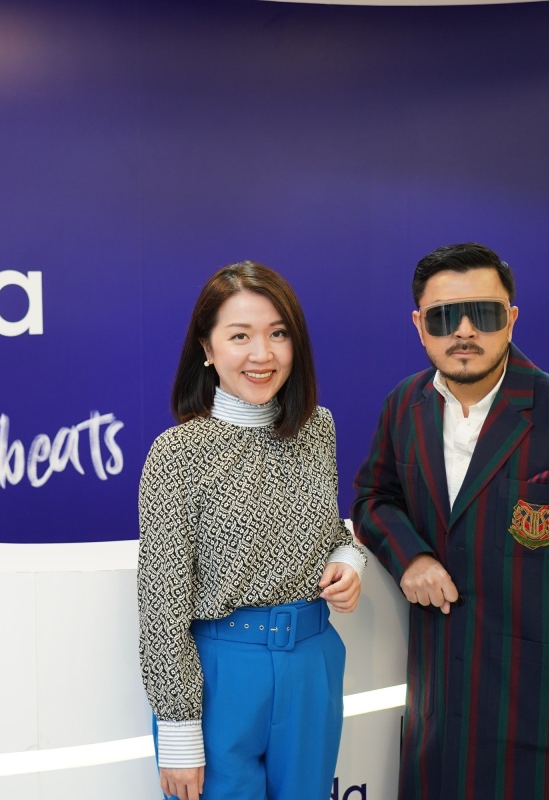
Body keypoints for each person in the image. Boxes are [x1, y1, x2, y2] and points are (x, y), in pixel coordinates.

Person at [351, 243, 549, 799]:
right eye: (444, 317)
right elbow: (374, 498)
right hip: (439, 714)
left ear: (511, 319)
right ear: (420, 326)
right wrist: (411, 557)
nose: (464, 331)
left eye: (484, 313)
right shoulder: (404, 407)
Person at [138, 260, 367, 800]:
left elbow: (330, 532)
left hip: (313, 660)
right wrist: (177, 728)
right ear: (207, 347)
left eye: (278, 334)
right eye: (240, 336)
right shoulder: (177, 453)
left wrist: (348, 560)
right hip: (222, 673)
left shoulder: (317, 428)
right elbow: (162, 605)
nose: (262, 354)